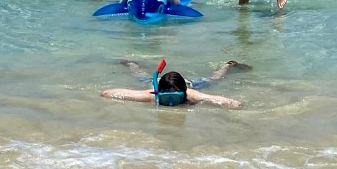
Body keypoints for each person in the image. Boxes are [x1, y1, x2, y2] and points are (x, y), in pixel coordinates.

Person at [101, 59, 243, 109]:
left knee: (213, 79)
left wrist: (234, 105)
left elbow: (228, 102)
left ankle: (227, 65)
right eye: (166, 98)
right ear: (159, 94)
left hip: (189, 84)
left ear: (183, 94)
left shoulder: (190, 94)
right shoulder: (152, 95)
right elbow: (107, 93)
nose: (170, 103)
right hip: (155, 82)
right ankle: (131, 63)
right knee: (140, 75)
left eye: (175, 98)